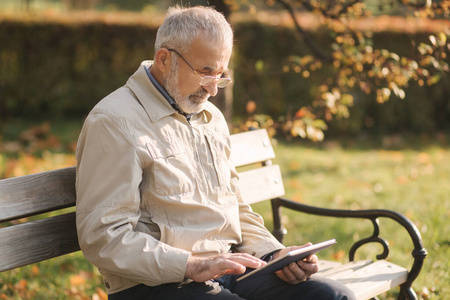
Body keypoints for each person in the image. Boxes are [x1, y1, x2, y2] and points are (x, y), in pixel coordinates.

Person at [75, 5, 356, 300]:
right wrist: (191, 265)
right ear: (164, 59)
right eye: (205, 72)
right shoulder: (114, 122)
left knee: (335, 296)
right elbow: (103, 238)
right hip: (158, 284)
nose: (213, 90)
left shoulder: (209, 117)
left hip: (228, 269)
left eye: (221, 75)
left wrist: (275, 254)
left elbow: (235, 205)